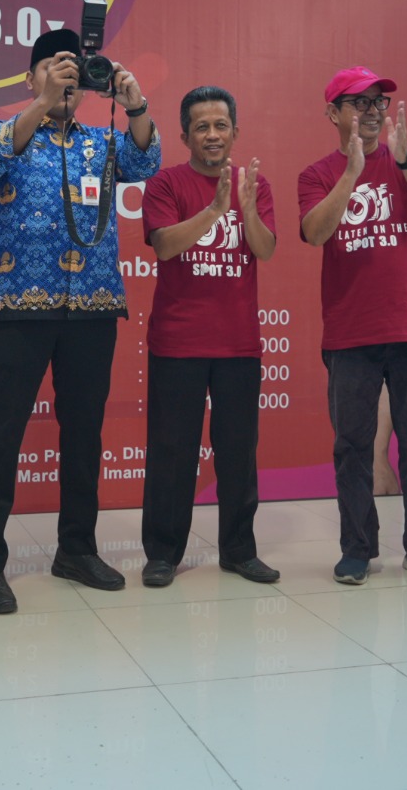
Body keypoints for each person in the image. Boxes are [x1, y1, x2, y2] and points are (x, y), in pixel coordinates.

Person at [0, 27, 160, 614]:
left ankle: (76, 549)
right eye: (55, 67)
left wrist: (136, 106)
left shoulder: (101, 142)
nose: (68, 78)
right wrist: (45, 101)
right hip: (16, 306)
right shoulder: (3, 132)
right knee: (2, 433)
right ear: (30, 77)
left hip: (93, 308)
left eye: (75, 69)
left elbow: (145, 160)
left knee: (83, 434)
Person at [299, 66, 407, 586]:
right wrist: (351, 173)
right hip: (351, 333)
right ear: (332, 113)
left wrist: (406, 161)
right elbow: (314, 232)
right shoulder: (317, 174)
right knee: (353, 446)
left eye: (378, 102)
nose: (372, 111)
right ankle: (358, 549)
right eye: (359, 102)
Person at [139, 86, 278, 587]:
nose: (213, 135)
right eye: (202, 127)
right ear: (185, 136)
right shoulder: (165, 183)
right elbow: (164, 245)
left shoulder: (254, 185)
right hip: (178, 343)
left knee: (238, 452)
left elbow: (265, 249)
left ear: (235, 132)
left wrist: (245, 209)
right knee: (172, 452)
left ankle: (239, 551)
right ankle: (162, 554)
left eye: (221, 126)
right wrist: (215, 210)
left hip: (238, 343)